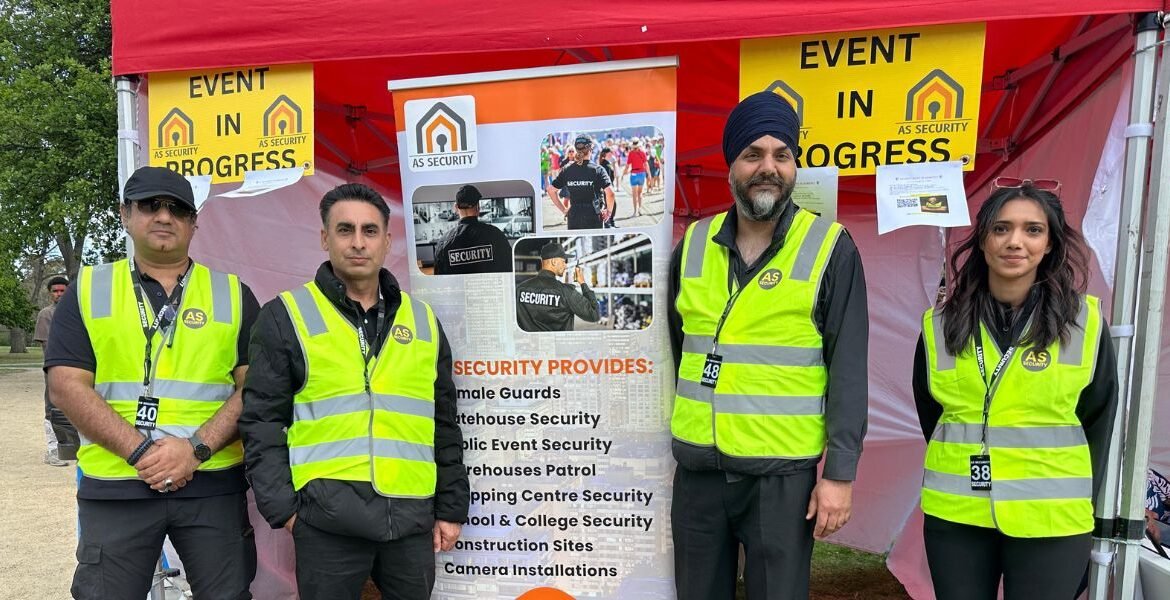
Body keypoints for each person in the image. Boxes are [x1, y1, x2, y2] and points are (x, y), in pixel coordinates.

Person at [666, 91, 869, 600]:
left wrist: (839, 474)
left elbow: (848, 367)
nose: (769, 168)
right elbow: (679, 348)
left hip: (781, 479)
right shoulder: (692, 244)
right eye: (753, 154)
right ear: (730, 164)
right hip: (700, 473)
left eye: (782, 155)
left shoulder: (829, 247)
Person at [240, 183, 469, 600]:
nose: (358, 242)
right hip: (326, 524)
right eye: (345, 230)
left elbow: (443, 421)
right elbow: (262, 421)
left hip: (411, 517)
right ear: (325, 238)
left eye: (369, 230)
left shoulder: (423, 322)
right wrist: (287, 513)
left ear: (387, 240)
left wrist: (451, 509)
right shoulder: (286, 317)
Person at [45, 165, 259, 599]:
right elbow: (66, 385)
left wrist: (195, 450)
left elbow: (254, 389)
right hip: (117, 484)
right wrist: (142, 452)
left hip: (211, 484)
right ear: (125, 214)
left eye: (178, 208)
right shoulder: (88, 290)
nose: (165, 216)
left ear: (194, 223)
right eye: (150, 205)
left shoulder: (234, 294)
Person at [913, 180, 1118, 600]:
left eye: (1033, 230)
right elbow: (932, 417)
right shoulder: (940, 326)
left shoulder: (1085, 325)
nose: (1016, 242)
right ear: (984, 239)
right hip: (958, 517)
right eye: (1002, 228)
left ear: (1050, 245)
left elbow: (1099, 420)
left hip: (1052, 519)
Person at [34, 275, 76, 466]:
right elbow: (47, 345)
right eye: (55, 291)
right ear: (50, 294)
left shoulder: (77, 311)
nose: (59, 294)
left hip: (78, 367)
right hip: (55, 367)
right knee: (52, 408)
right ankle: (53, 449)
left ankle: (73, 446)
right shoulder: (46, 314)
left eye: (62, 290)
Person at [516, 241, 601, 332]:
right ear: (554, 262)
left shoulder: (520, 289)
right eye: (563, 261)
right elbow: (594, 315)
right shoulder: (566, 292)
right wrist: (582, 282)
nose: (565, 266)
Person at [432, 184, 512, 275]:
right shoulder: (497, 235)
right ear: (478, 207)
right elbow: (509, 270)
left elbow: (439, 281)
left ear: (456, 208)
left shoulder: (443, 243)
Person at [545, 135, 614, 230]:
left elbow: (550, 190)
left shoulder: (567, 170)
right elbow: (610, 193)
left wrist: (564, 210)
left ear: (576, 149)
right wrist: (609, 212)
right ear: (591, 149)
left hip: (574, 215)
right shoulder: (598, 169)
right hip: (594, 214)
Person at [623, 138, 648, 216]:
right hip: (641, 174)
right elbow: (646, 164)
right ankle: (640, 210)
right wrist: (649, 175)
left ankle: (635, 211)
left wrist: (623, 174)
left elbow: (627, 166)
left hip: (634, 174)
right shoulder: (643, 153)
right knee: (640, 193)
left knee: (634, 194)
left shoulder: (631, 153)